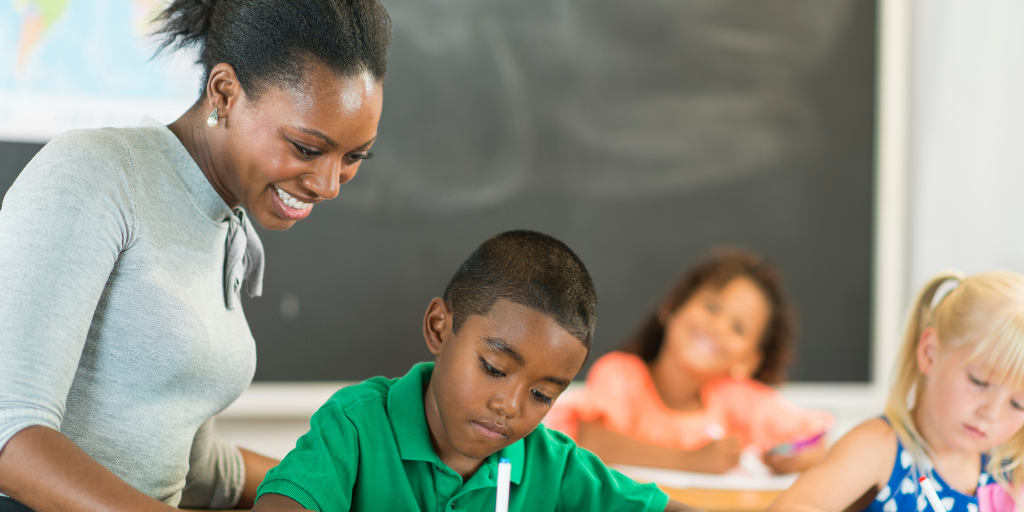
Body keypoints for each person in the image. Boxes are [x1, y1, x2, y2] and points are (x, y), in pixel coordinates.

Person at [0, 0, 391, 510]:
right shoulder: (98, 173)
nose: (329, 184)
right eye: (306, 149)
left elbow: (200, 472)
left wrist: (360, 492)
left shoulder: (224, 227)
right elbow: (11, 434)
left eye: (354, 156)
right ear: (225, 92)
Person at [250, 230, 699, 511]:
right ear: (440, 327)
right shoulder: (357, 425)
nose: (510, 406)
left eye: (542, 395)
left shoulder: (552, 465)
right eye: (493, 367)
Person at [544, 249, 833, 474]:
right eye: (711, 306)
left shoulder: (736, 400)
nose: (718, 327)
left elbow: (814, 440)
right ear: (672, 307)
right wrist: (691, 460)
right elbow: (591, 440)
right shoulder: (622, 374)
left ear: (748, 361)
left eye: (738, 328)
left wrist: (795, 458)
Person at [769, 270, 1024, 512]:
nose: (991, 413)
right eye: (979, 381)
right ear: (930, 354)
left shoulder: (1008, 472)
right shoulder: (880, 447)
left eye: (1018, 403)